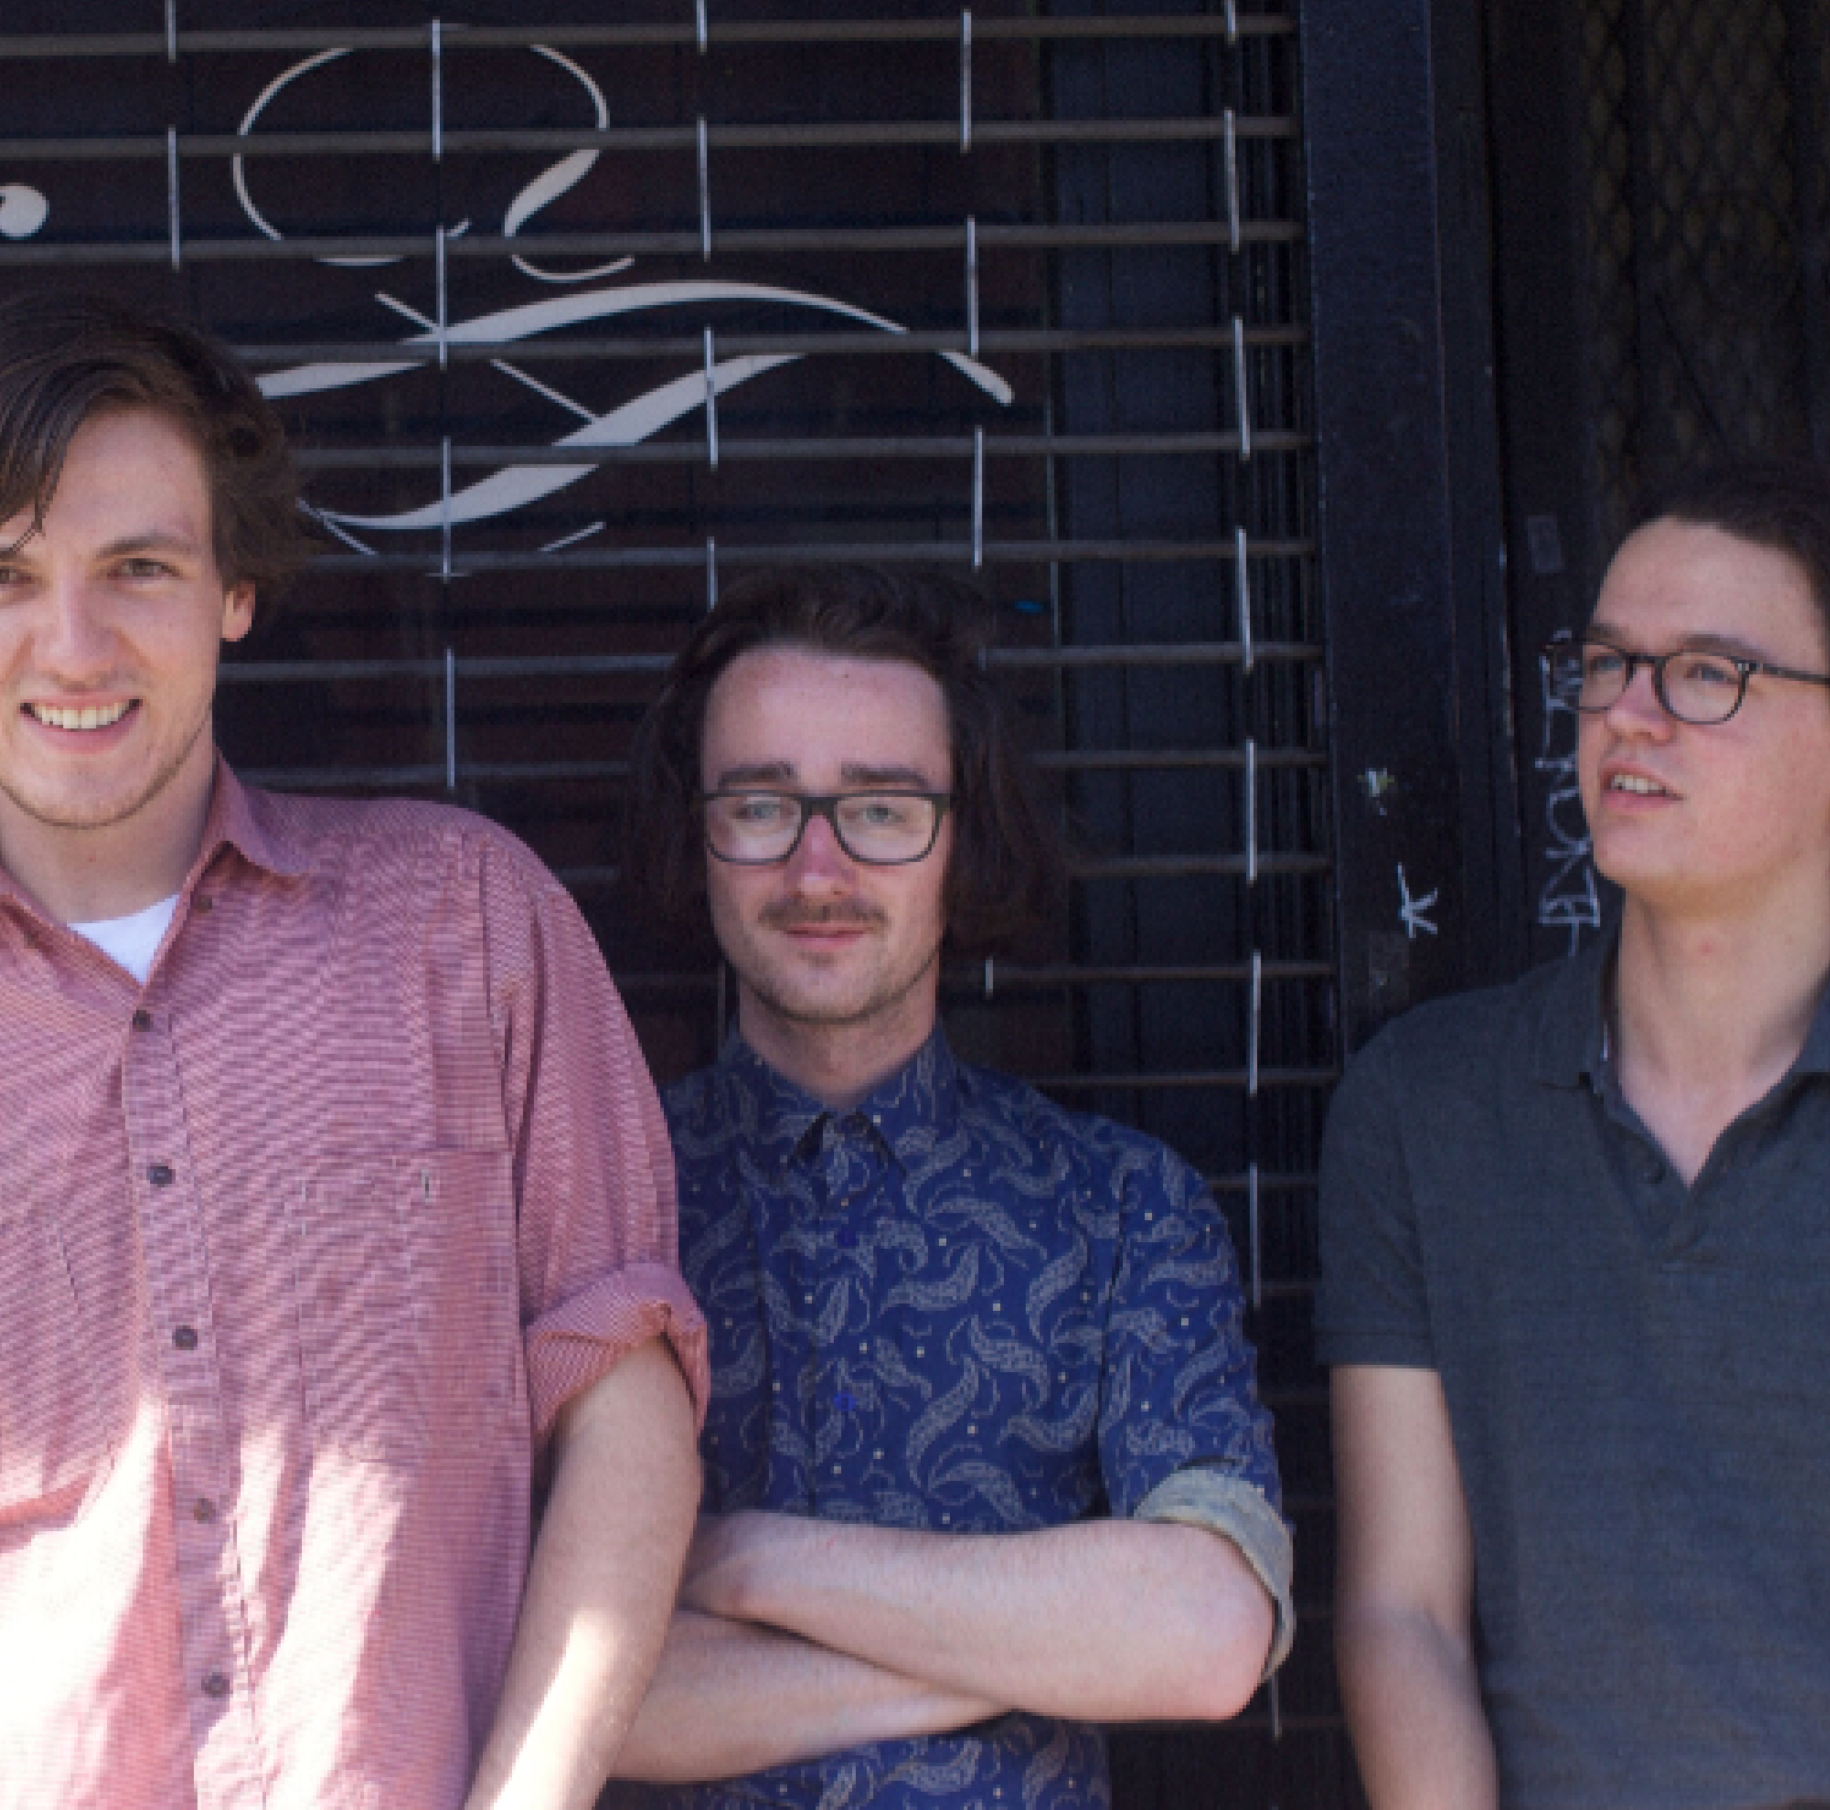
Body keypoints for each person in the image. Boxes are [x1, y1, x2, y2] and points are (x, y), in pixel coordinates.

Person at [0, 289, 709, 1809]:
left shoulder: (467, 921)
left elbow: (624, 1390)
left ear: (234, 589)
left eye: (137, 567)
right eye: (1, 574)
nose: (72, 643)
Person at [603, 565, 1291, 1809]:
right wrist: (1034, 1651)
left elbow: (1204, 1632)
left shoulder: (1120, 1206)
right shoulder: (594, 1205)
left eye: (882, 808)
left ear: (961, 835)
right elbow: (559, 1686)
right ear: (693, 833)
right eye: (760, 805)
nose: (817, 867)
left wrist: (743, 1560)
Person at [1320, 457, 1830, 1809]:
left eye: (1707, 673)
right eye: (1606, 665)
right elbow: (1401, 1613)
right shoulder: (1425, 1106)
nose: (1627, 715)